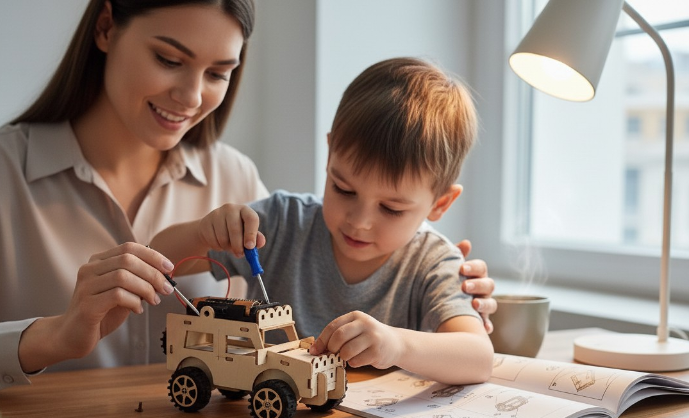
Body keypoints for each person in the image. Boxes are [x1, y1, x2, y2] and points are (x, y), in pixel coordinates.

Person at [0, 2, 493, 395]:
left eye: (219, 71)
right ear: (105, 27)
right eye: (169, 59)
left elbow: (309, 280)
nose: (191, 94)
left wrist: (444, 291)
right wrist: (50, 337)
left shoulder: (237, 178)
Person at [151, 57, 494, 384]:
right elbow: (156, 258)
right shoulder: (282, 223)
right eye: (343, 189)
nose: (360, 221)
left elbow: (478, 357)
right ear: (329, 156)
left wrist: (397, 345)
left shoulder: (433, 263)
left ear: (441, 203)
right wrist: (203, 233)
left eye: (391, 209)